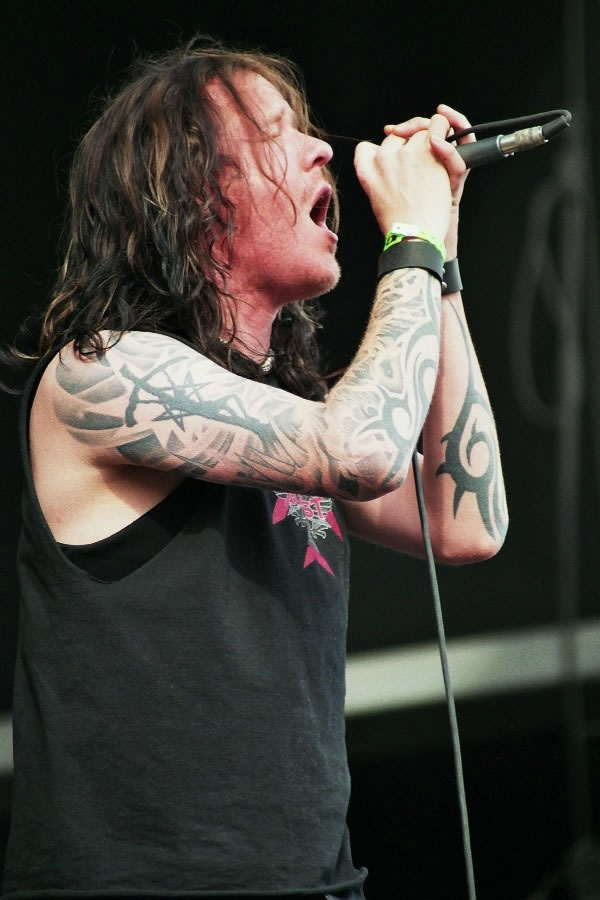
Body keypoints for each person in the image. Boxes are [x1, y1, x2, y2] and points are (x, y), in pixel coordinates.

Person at [1, 39, 508, 900]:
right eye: (278, 133)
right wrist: (410, 240)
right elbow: (361, 451)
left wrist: (442, 257)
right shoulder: (100, 372)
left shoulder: (300, 411)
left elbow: (467, 524)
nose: (322, 151)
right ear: (193, 193)